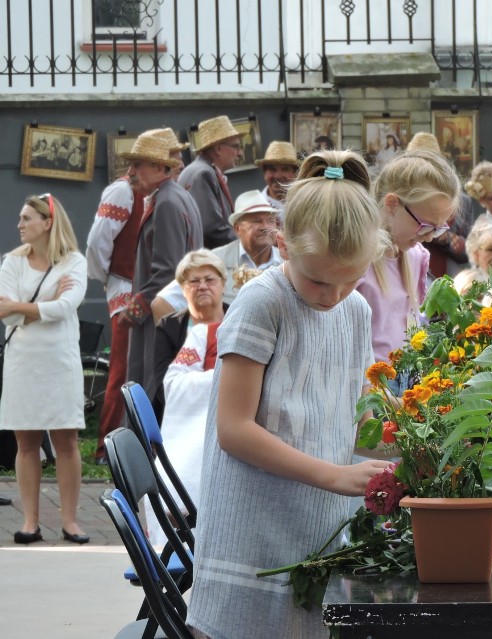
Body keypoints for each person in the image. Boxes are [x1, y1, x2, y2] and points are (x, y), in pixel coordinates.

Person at [185, 150, 395, 638]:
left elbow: (350, 417)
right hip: (254, 531)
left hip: (316, 528)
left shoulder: (356, 311)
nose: (332, 295)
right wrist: (336, 475)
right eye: (319, 279)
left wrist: (425, 452)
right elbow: (233, 430)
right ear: (282, 244)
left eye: (350, 279)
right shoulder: (263, 302)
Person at [86, 127, 187, 463]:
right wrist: (113, 283)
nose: (178, 160)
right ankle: (109, 445)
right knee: (128, 370)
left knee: (138, 374)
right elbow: (97, 244)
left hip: (148, 297)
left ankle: (125, 448)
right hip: (130, 291)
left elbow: (167, 266)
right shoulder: (128, 192)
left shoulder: (170, 197)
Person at [0, 194, 90, 545]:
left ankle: (70, 521)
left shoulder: (74, 261)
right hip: (23, 362)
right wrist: (46, 304)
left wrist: (24, 308)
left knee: (66, 442)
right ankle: (30, 522)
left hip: (60, 361)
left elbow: (68, 307)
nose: (19, 225)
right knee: (26, 443)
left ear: (47, 222)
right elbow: (5, 312)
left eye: (26, 219)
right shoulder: (11, 262)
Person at [358, 149, 460, 384]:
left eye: (438, 228)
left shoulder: (415, 257)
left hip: (405, 378)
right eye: (425, 226)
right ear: (392, 203)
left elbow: (413, 324)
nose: (430, 237)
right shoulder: (360, 261)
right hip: (367, 384)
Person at [120, 131, 203, 409]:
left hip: (164, 317)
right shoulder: (174, 196)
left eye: (137, 165)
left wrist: (135, 309)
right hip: (173, 315)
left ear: (158, 167)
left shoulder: (167, 202)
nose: (130, 172)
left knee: (153, 393)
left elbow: (168, 272)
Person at [151, 190, 282, 323]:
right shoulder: (213, 261)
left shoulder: (288, 263)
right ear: (237, 228)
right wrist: (195, 335)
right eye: (256, 221)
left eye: (270, 221)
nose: (265, 227)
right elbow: (161, 303)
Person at [152, 250, 227, 422]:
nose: (202, 286)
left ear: (223, 284)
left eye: (209, 279)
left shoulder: (238, 319)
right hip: (182, 417)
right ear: (182, 289)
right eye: (194, 281)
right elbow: (162, 387)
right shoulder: (168, 327)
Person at [408, 132, 475, 278]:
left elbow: (469, 251)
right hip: (407, 271)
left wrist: (444, 237)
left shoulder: (462, 201)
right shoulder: (402, 197)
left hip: (445, 277)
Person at [178, 115, 242, 249]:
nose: (240, 153)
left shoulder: (201, 171)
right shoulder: (204, 173)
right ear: (218, 149)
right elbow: (212, 228)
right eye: (236, 147)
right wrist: (244, 246)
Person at [255, 140, 301, 216]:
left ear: (295, 174)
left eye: (285, 169)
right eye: (272, 169)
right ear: (264, 173)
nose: (278, 176)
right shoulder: (255, 206)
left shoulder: (307, 202)